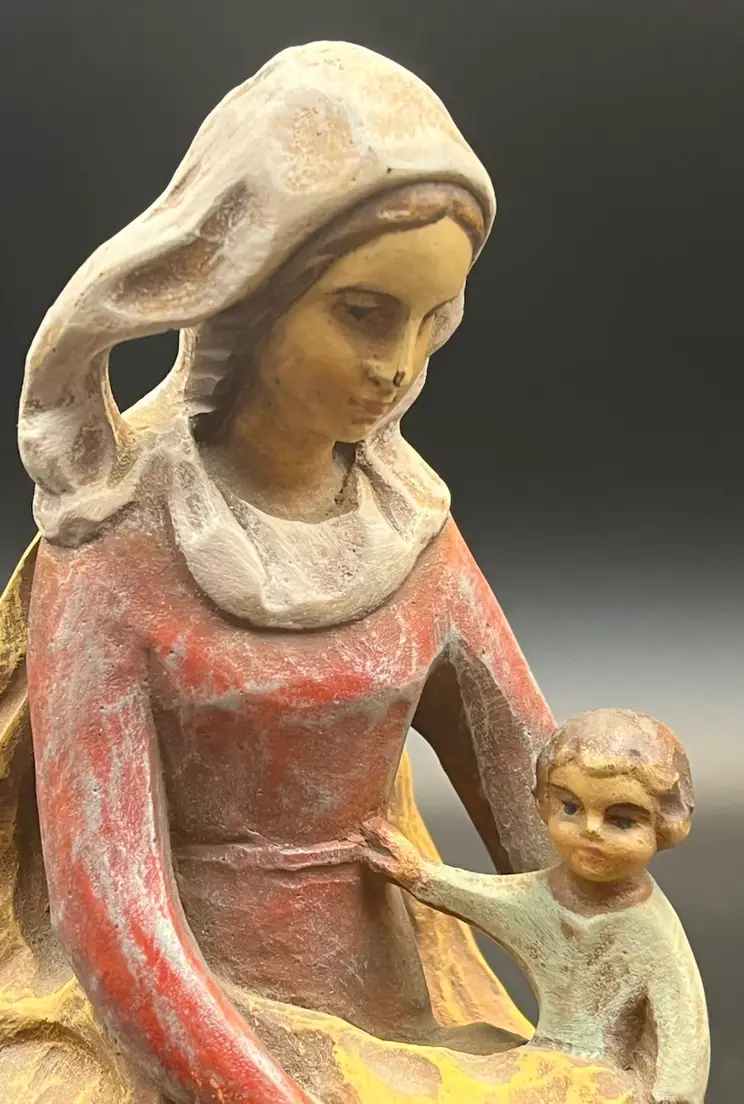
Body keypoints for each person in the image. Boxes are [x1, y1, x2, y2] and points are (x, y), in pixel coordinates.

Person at [0, 40, 631, 1104]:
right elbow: (119, 927)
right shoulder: (114, 545)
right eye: (364, 313)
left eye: (432, 322)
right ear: (247, 289)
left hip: (394, 1011)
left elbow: (550, 810)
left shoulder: (412, 530)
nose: (400, 367)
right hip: (179, 1025)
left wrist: (631, 1010)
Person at [361, 708, 711, 1104]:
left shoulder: (651, 932)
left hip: (600, 1086)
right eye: (571, 808)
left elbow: (683, 1050)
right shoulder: (541, 896)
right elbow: (483, 897)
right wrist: (416, 874)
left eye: (622, 821)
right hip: (542, 1064)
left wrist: (666, 1097)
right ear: (544, 805)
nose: (590, 830)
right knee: (426, 1061)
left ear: (665, 827)